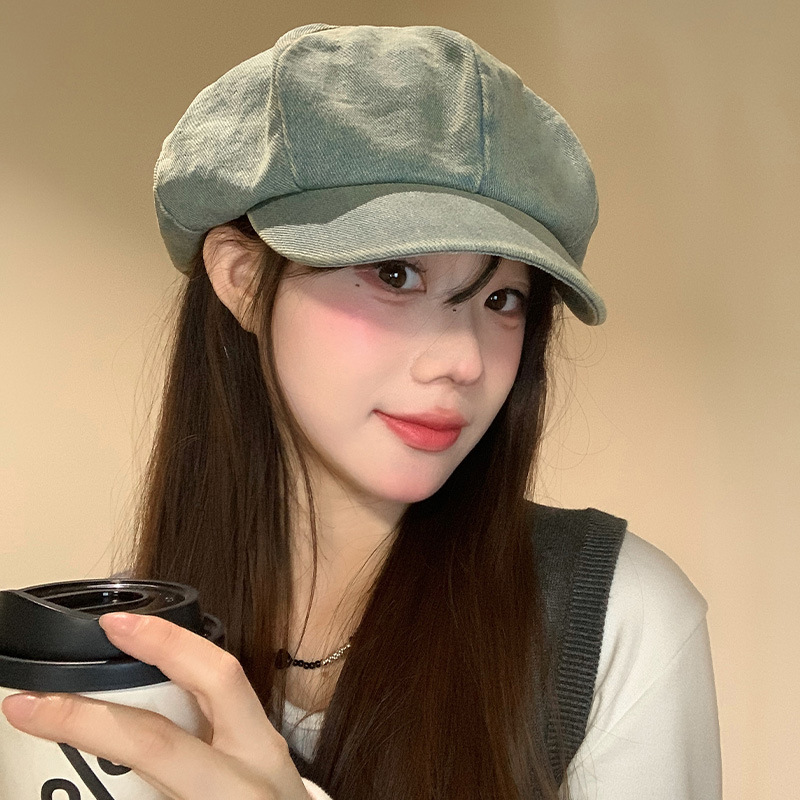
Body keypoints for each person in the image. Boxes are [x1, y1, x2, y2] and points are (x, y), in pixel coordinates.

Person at [0, 22, 722, 799]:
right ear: (243, 279)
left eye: (502, 298)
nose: (465, 360)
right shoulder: (124, 648)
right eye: (396, 273)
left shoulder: (617, 620)